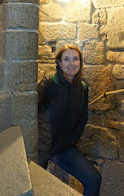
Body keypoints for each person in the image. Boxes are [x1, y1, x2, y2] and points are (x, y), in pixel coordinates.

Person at [38, 44, 101, 196]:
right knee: (35, 187)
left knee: (93, 179)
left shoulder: (82, 88)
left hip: (64, 148)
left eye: (75, 59)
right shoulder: (49, 84)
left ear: (80, 62)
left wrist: (72, 140)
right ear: (59, 63)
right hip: (41, 146)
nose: (71, 63)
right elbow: (31, 112)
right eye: (66, 59)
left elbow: (82, 118)